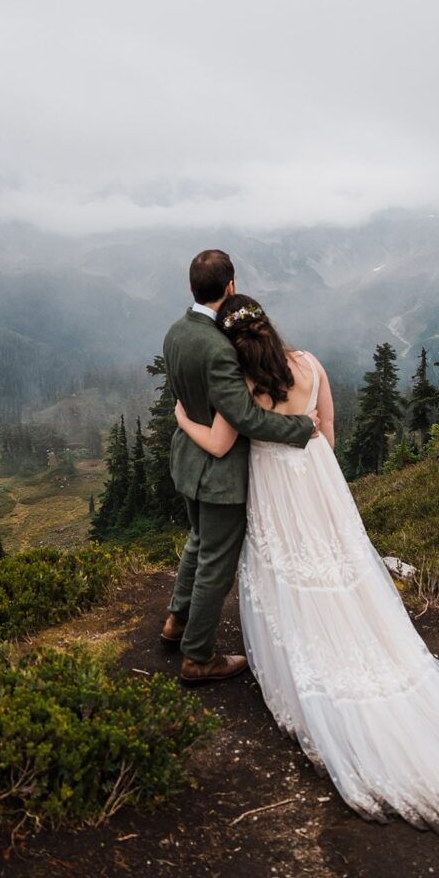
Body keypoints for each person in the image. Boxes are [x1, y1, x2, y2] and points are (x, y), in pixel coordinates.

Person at [173, 292, 439, 834]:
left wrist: (183, 417)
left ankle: (302, 651)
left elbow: (228, 443)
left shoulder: (245, 389)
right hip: (320, 482)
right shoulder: (313, 364)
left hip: (276, 490)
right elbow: (329, 432)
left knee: (288, 572)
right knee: (340, 566)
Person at [161, 250, 319, 686]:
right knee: (216, 562)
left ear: (192, 288)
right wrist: (302, 427)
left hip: (188, 462)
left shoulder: (176, 332)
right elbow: (245, 419)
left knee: (197, 543)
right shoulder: (220, 350)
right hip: (220, 474)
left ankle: (177, 620)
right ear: (230, 287)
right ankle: (198, 656)